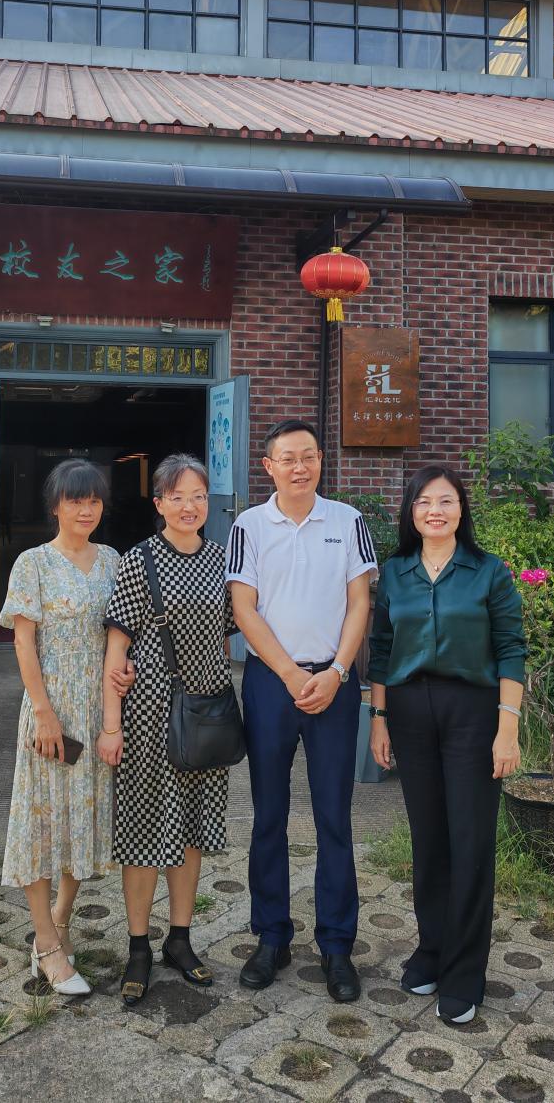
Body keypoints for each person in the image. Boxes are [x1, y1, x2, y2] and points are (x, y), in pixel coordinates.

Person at [368, 464, 526, 1026]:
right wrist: (379, 719)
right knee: (429, 839)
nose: (435, 511)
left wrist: (507, 728)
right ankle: (431, 950)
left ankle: (464, 973)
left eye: (446, 501)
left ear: (462, 510)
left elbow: (511, 649)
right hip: (410, 711)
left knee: (470, 841)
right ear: (410, 512)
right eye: (424, 502)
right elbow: (381, 649)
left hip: (473, 714)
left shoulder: (489, 572)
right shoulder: (395, 572)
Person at [227, 420, 377, 1003]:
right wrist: (291, 674)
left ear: (320, 461)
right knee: (269, 814)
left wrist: (336, 673)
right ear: (269, 466)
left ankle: (337, 945)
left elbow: (360, 602)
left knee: (333, 817)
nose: (300, 467)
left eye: (309, 456)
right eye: (287, 458)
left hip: (335, 683)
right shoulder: (248, 526)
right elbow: (243, 608)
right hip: (272, 683)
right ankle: (272, 937)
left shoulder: (347, 520)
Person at [99, 453, 236, 1007]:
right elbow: (117, 647)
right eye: (177, 497)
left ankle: (180, 939)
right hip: (149, 712)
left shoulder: (221, 559)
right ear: (158, 503)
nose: (189, 506)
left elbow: (225, 634)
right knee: (143, 830)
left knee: (192, 829)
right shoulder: (140, 560)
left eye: (198, 496)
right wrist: (112, 726)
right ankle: (138, 947)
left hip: (205, 711)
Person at [0, 458, 128, 996]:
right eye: (75, 501)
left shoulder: (113, 561)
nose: (86, 510)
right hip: (50, 712)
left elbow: (122, 635)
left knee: (84, 821)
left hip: (97, 713)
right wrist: (44, 712)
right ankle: (47, 944)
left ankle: (61, 920)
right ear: (55, 506)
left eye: (94, 500)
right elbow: (23, 641)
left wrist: (126, 670)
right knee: (40, 823)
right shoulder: (32, 563)